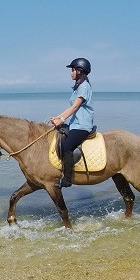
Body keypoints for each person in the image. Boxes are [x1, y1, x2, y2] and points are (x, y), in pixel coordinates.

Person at [49, 58, 94, 188]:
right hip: (75, 124)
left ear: (80, 71)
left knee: (67, 147)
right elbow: (70, 108)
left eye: (73, 70)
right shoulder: (78, 87)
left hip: (82, 126)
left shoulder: (84, 87)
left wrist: (61, 120)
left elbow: (75, 107)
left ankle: (67, 179)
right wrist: (57, 117)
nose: (71, 73)